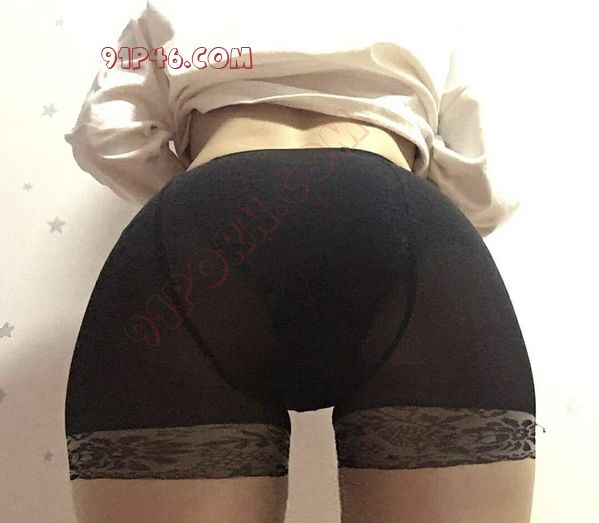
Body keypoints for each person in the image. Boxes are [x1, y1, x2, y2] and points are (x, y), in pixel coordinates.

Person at [63, 1, 537, 521]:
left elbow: (104, 134)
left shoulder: (165, 9)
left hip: (204, 240)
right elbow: (487, 189)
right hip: (395, 221)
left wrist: (203, 204)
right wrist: (400, 206)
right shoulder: (430, 12)